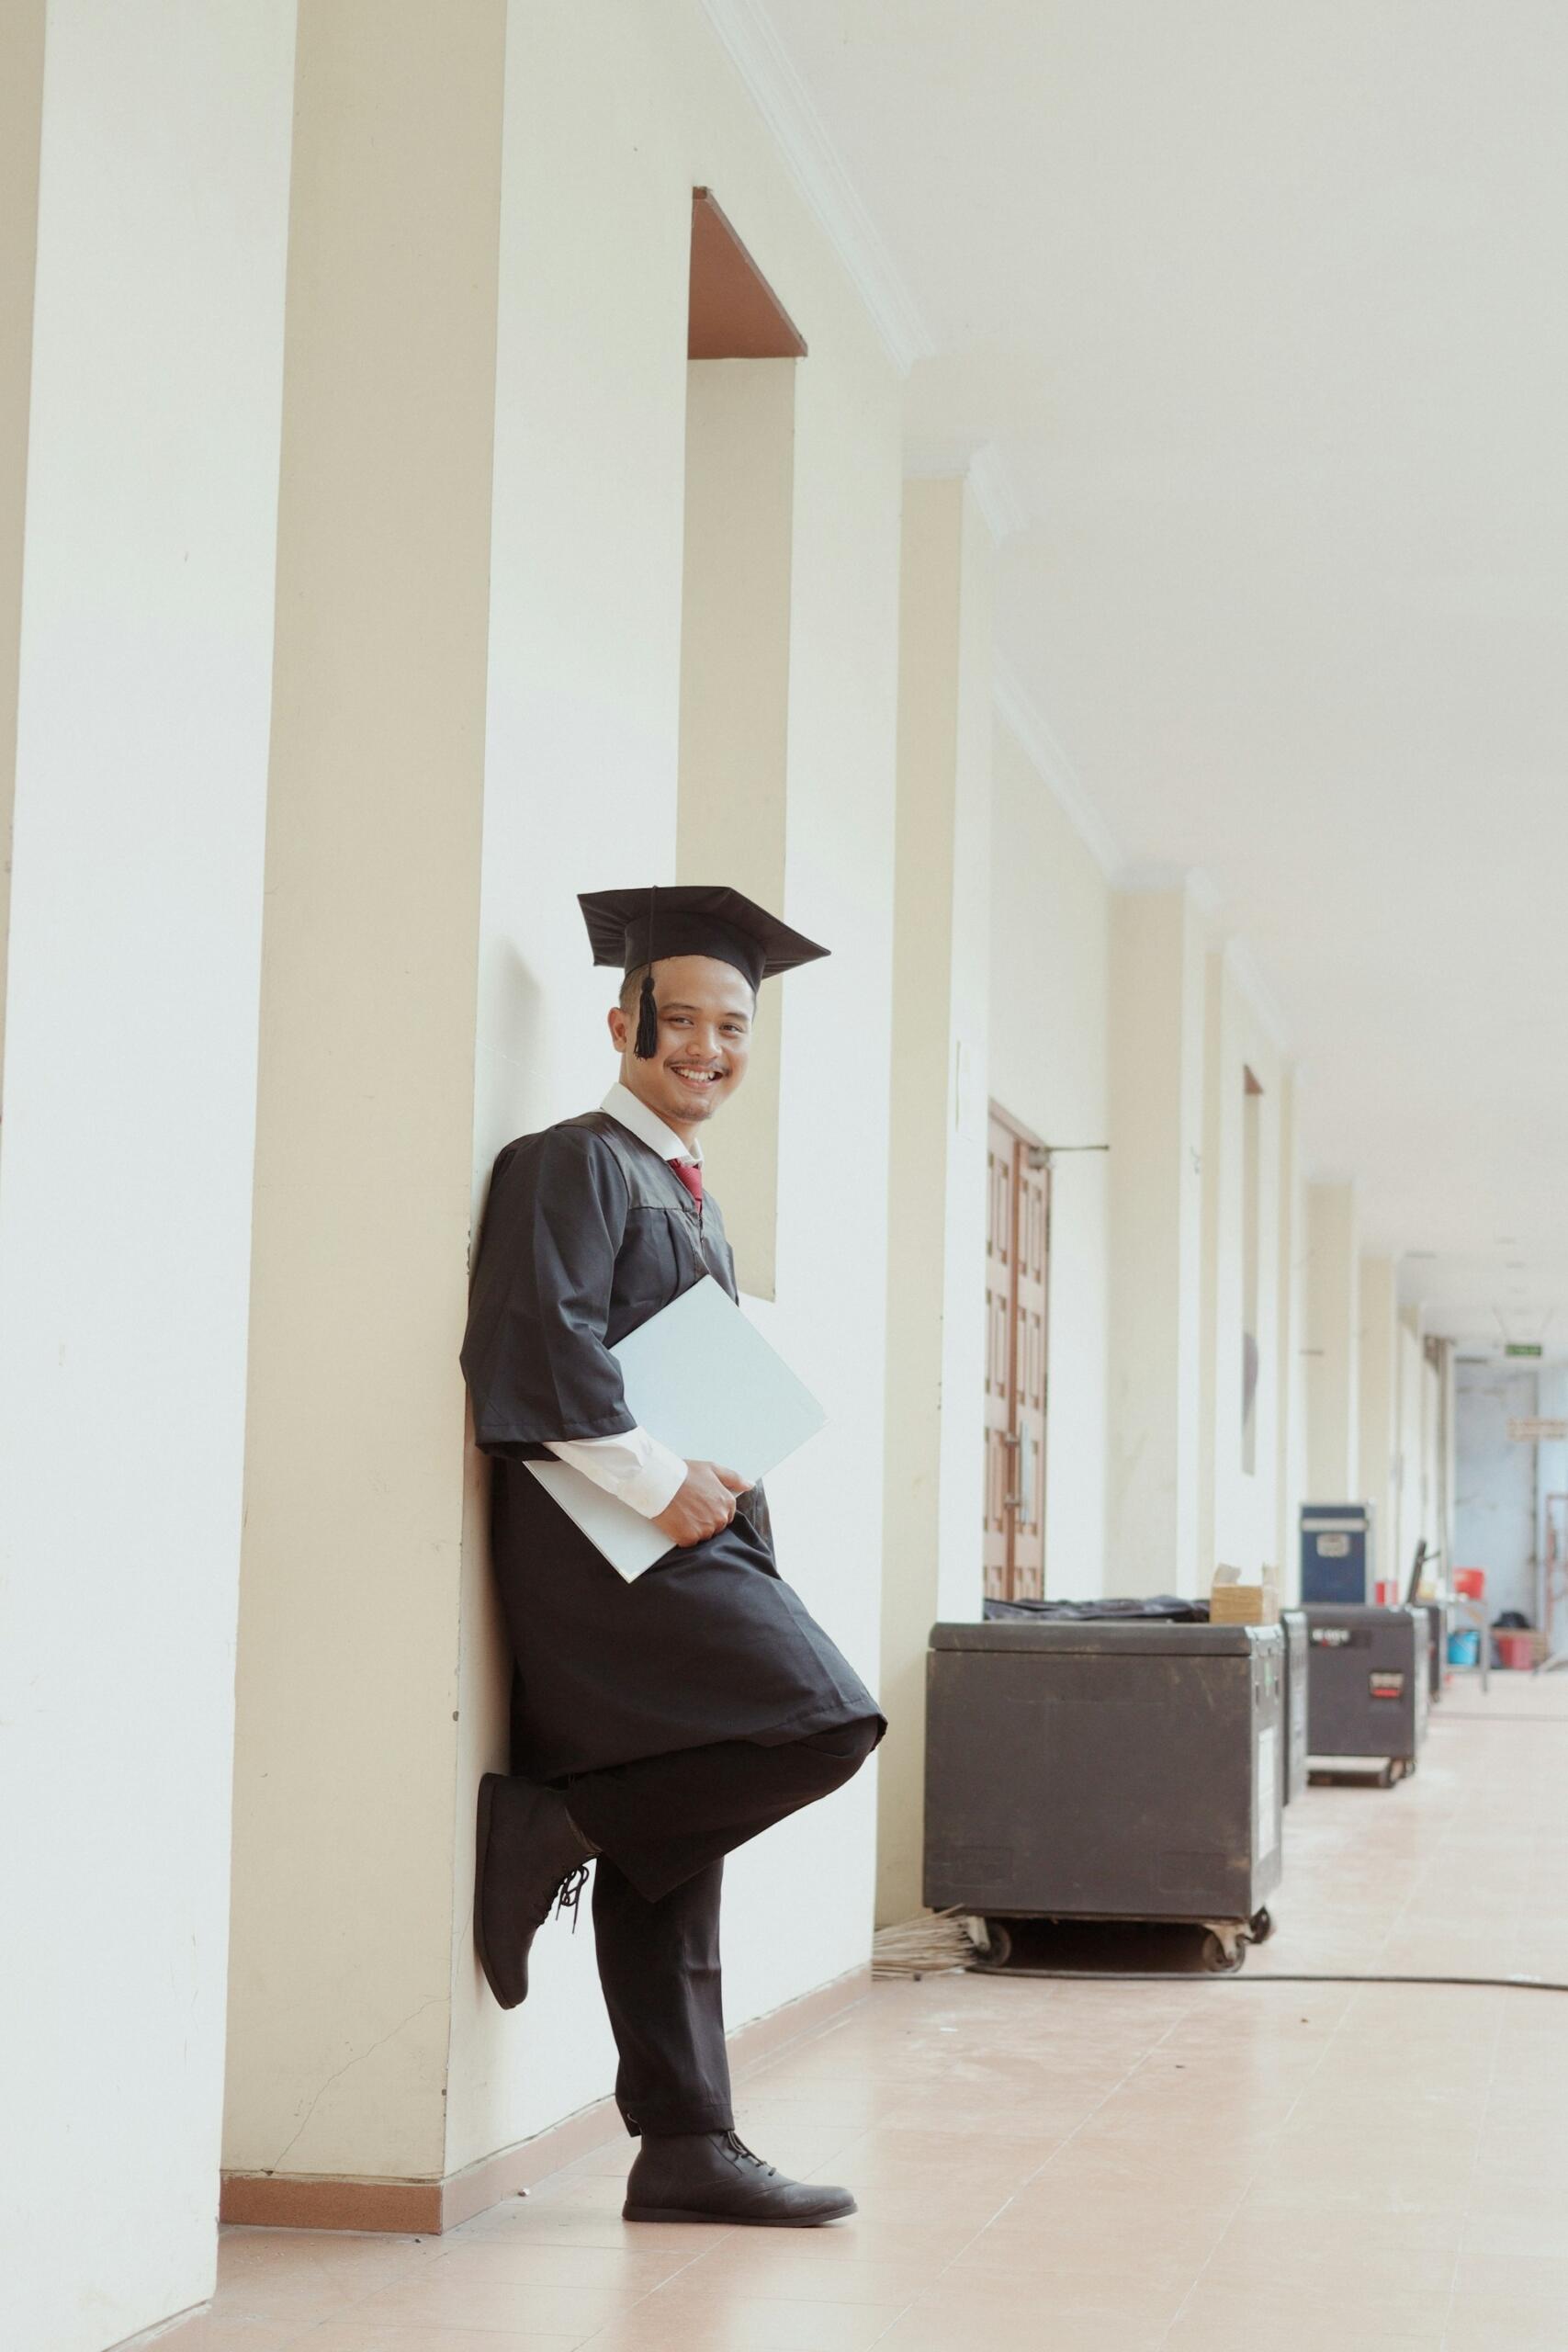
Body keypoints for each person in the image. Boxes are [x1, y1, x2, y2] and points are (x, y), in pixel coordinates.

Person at [460, 884, 885, 2228]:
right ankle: (551, 1825)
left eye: (733, 1027)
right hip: (611, 1551)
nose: (707, 1048)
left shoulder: (688, 1193)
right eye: (678, 1021)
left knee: (676, 1838)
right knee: (822, 1718)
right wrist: (660, 1480)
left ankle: (685, 2143)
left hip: (686, 1529)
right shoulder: (573, 1158)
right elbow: (536, 1347)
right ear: (622, 1020)